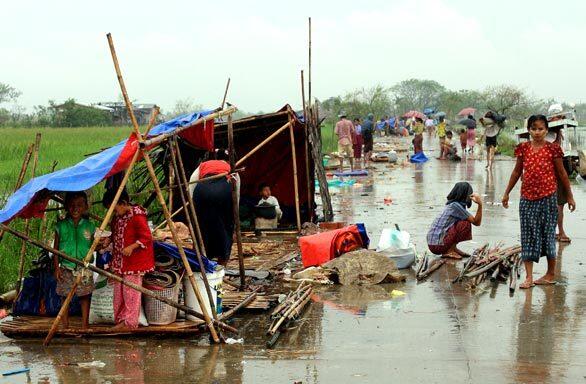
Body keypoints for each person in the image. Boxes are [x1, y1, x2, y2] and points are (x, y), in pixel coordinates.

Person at [502, 115, 576, 289]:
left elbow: (562, 174)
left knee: (548, 235)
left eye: (541, 129)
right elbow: (516, 172)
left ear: (547, 130)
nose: (537, 132)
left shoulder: (553, 150)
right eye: (533, 129)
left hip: (548, 198)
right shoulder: (523, 149)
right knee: (527, 236)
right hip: (527, 199)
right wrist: (506, 193)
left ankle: (550, 274)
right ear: (528, 130)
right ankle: (529, 277)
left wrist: (570, 196)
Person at [102, 188, 154, 330]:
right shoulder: (117, 217)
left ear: (123, 203)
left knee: (131, 292)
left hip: (134, 263)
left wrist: (132, 247)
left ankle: (129, 322)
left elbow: (146, 237)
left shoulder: (137, 216)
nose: (113, 212)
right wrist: (109, 240)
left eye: (114, 208)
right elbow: (115, 233)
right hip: (120, 261)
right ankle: (120, 319)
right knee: (118, 292)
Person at [53, 191, 96, 329]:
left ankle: (85, 326)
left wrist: (103, 243)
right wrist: (57, 268)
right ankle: (65, 326)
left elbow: (95, 245)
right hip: (66, 266)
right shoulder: (61, 226)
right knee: (65, 296)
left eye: (79, 205)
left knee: (84, 296)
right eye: (72, 205)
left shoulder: (90, 226)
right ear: (66, 207)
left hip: (84, 267)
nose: (75, 208)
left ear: (85, 207)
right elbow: (55, 250)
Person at [189, 149, 238, 265]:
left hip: (201, 192)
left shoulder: (203, 165)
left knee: (202, 225)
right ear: (229, 160)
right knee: (225, 226)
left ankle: (202, 256)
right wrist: (234, 217)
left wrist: (193, 205)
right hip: (223, 193)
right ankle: (223, 259)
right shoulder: (231, 168)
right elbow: (237, 194)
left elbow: (191, 185)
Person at [427, 182, 483, 259]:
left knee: (463, 221)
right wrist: (480, 204)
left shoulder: (453, 205)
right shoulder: (455, 206)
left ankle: (453, 248)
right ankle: (448, 251)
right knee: (465, 223)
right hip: (437, 245)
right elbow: (476, 222)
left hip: (434, 244)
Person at [546, 129, 572, 243]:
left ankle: (559, 231)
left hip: (557, 175)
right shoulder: (548, 135)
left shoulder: (559, 132)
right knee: (556, 205)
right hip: (551, 175)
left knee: (559, 205)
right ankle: (559, 231)